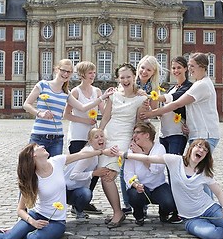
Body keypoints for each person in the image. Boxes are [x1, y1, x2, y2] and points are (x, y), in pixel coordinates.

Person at [0, 143, 114, 239]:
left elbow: (81, 155)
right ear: (33, 156)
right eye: (38, 147)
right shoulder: (33, 180)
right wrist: (32, 221)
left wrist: (102, 151)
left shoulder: (56, 161)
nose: (42, 146)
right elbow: (20, 210)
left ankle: (15, 234)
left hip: (57, 222)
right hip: (37, 215)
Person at [23, 59, 113, 157]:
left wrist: (103, 98)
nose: (66, 74)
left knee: (54, 169)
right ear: (57, 69)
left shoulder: (66, 93)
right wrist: (40, 113)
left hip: (57, 138)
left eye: (69, 72)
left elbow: (83, 107)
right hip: (39, 135)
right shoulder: (43, 85)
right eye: (63, 70)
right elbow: (26, 104)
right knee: (32, 167)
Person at [140, 52, 220, 152]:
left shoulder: (201, 85)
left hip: (204, 135)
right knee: (194, 167)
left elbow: (177, 103)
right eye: (189, 65)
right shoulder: (198, 84)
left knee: (196, 167)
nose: (190, 68)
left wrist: (150, 111)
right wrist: (188, 125)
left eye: (192, 66)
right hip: (195, 134)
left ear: (202, 66)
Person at [99, 63, 147, 216]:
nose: (125, 80)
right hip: (109, 136)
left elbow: (139, 122)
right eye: (122, 77)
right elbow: (106, 117)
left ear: (134, 78)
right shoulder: (113, 95)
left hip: (124, 138)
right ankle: (118, 210)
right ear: (118, 79)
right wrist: (99, 135)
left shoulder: (140, 99)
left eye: (128, 77)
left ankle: (119, 211)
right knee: (104, 174)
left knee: (110, 173)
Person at [154, 56, 193, 223]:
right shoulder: (171, 87)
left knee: (174, 172)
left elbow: (175, 102)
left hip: (177, 134)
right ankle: (167, 207)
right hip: (165, 134)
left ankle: (178, 210)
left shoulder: (188, 87)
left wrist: (153, 98)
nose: (176, 71)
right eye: (174, 68)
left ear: (185, 69)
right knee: (166, 171)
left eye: (179, 67)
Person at [64, 61, 105, 215]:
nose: (93, 75)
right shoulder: (75, 92)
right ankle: (75, 201)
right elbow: (66, 115)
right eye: (90, 73)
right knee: (76, 169)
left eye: (94, 72)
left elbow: (104, 110)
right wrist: (85, 121)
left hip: (93, 136)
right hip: (77, 135)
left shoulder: (97, 91)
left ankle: (84, 200)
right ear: (82, 75)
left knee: (95, 168)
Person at [124, 122, 176, 226]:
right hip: (141, 187)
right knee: (134, 195)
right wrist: (135, 185)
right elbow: (128, 174)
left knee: (169, 203)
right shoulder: (131, 151)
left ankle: (163, 213)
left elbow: (156, 169)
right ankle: (139, 215)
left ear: (147, 135)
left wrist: (141, 155)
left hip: (158, 186)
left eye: (137, 132)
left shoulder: (159, 148)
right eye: (134, 133)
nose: (134, 136)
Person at [64, 128, 113, 219]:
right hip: (66, 189)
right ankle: (78, 210)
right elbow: (73, 175)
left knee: (87, 193)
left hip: (76, 188)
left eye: (102, 136)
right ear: (90, 141)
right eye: (96, 137)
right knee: (86, 194)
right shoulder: (88, 154)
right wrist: (94, 173)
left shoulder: (96, 153)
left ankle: (78, 209)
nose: (100, 139)